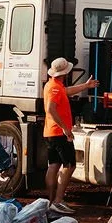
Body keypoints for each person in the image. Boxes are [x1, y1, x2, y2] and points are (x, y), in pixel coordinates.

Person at [42, 57, 97, 212]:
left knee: (54, 165)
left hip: (50, 132)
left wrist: (85, 86)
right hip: (59, 132)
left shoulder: (52, 85)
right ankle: (58, 200)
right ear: (65, 72)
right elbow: (51, 109)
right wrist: (65, 128)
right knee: (70, 164)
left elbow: (66, 92)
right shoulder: (55, 88)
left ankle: (52, 201)